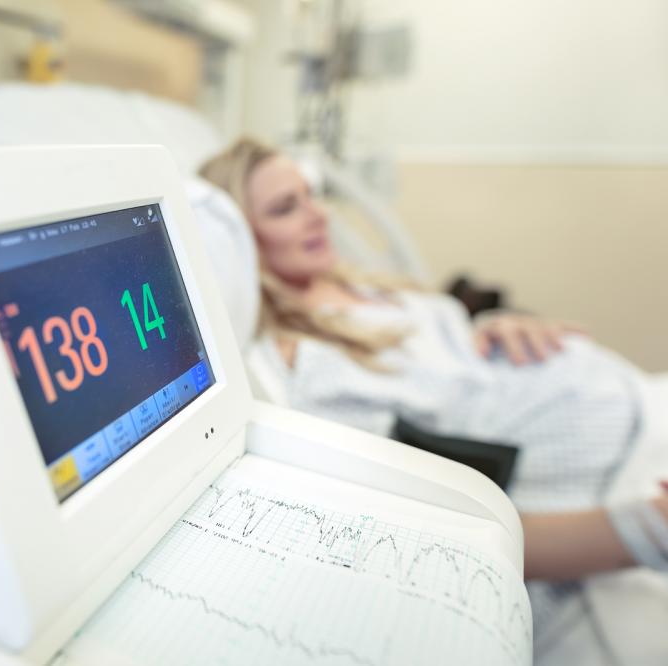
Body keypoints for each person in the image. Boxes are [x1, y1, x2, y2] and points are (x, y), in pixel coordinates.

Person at [199, 137, 668, 636]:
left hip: (642, 401)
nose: (317, 215)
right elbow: (452, 528)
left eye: (310, 195)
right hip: (630, 480)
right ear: (238, 243)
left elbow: (453, 370)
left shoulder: (369, 286)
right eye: (284, 208)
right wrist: (649, 528)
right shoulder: (304, 367)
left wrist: (491, 328)